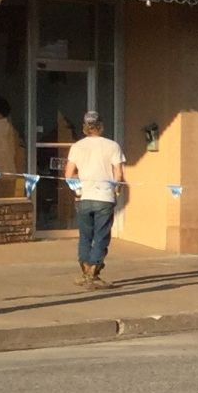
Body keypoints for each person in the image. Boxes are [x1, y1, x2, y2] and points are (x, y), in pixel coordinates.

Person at [64, 110, 126, 289]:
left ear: (85, 126)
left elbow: (68, 174)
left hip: (84, 196)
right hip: (104, 197)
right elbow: (118, 173)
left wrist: (79, 186)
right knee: (101, 236)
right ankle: (94, 272)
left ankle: (85, 272)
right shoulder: (112, 146)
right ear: (101, 126)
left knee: (85, 236)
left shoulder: (77, 147)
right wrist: (116, 189)